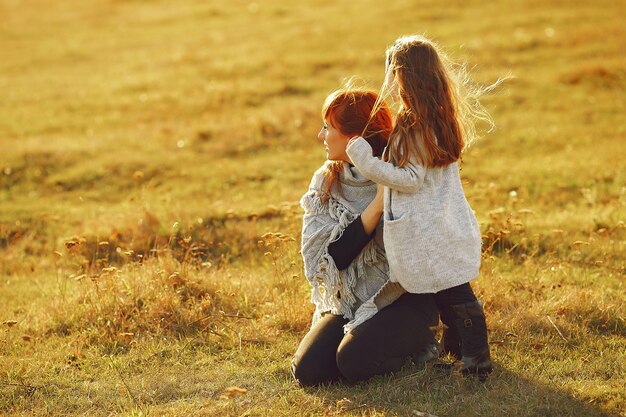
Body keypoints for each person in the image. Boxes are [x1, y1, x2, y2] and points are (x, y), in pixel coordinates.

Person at [345, 35, 494, 378]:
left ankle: (477, 357)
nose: (390, 83)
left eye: (393, 74)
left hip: (429, 229)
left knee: (455, 292)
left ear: (405, 77)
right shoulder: (438, 116)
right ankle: (459, 351)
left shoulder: (415, 123)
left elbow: (410, 179)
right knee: (446, 289)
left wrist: (365, 161)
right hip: (441, 222)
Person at [292, 88, 439, 386]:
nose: (321, 135)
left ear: (353, 139)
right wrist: (377, 205)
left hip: (403, 300)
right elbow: (330, 258)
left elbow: (422, 253)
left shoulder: (401, 175)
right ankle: (362, 341)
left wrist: (387, 191)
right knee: (309, 371)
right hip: (351, 300)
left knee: (353, 361)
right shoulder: (326, 181)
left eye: (328, 128)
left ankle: (425, 343)